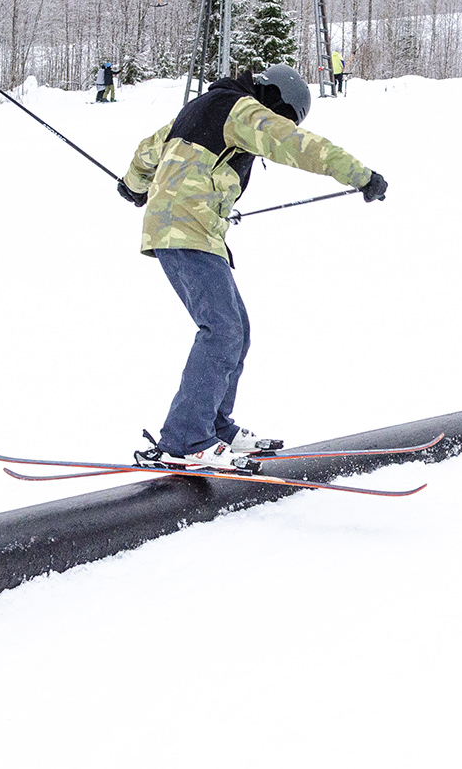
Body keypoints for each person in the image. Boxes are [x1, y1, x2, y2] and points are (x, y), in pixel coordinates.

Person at [116, 64, 389, 471]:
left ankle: (215, 424)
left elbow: (148, 151)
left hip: (191, 229)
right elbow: (298, 145)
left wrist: (134, 185)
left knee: (235, 329)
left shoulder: (201, 107)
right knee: (221, 329)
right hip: (185, 230)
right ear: (274, 98)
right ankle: (186, 438)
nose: (280, 123)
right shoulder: (241, 109)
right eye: (283, 116)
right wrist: (361, 176)